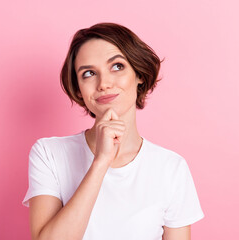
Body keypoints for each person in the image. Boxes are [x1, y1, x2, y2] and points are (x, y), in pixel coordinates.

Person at [22, 22, 204, 240]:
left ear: (140, 75)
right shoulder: (49, 153)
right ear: (79, 89)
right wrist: (101, 162)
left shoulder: (171, 168)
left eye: (117, 66)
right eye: (89, 73)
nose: (104, 83)